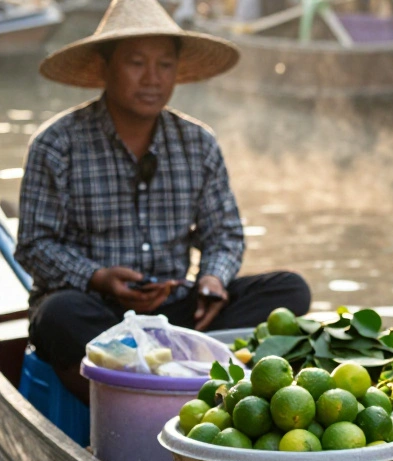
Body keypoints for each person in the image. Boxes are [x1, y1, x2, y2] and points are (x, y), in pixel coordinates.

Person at [16, 0, 310, 402]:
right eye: (136, 63)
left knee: (290, 290)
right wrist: (99, 278)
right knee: (57, 315)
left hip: (174, 315)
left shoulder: (197, 142)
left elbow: (224, 233)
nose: (152, 78)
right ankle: (153, 397)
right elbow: (34, 245)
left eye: (165, 65)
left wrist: (212, 281)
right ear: (105, 67)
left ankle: (174, 371)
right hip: (97, 316)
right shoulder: (57, 144)